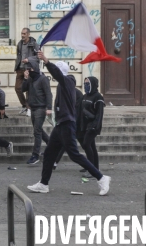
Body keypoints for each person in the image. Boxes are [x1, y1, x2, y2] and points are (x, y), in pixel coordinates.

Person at [27, 51, 111, 196]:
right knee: (49, 153)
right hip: (61, 124)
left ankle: (102, 178)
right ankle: (43, 184)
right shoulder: (62, 85)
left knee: (74, 155)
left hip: (66, 124)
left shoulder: (68, 81)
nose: (54, 76)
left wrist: (46, 61)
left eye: (57, 72)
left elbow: (57, 74)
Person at [21, 57, 52, 165]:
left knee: (37, 131)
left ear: (34, 69)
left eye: (30, 70)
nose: (28, 72)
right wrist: (25, 78)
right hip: (33, 108)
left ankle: (35, 155)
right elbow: (23, 89)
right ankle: (51, 145)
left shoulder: (43, 79)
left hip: (41, 108)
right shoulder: (30, 79)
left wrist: (49, 108)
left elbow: (49, 93)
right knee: (38, 130)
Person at [77, 77, 105, 177]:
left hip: (92, 126)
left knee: (86, 144)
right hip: (84, 126)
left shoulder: (98, 97)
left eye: (88, 83)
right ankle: (92, 167)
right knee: (91, 146)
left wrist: (95, 126)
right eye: (84, 84)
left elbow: (99, 114)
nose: (86, 86)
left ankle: (92, 170)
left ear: (93, 84)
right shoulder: (84, 96)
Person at [15, 29, 38, 116]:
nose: (22, 35)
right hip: (20, 69)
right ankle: (24, 105)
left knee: (28, 89)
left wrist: (29, 60)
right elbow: (18, 56)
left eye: (24, 34)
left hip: (29, 69)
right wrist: (16, 66)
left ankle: (29, 108)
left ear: (28, 34)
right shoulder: (20, 44)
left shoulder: (34, 44)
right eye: (22, 33)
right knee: (17, 88)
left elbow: (38, 57)